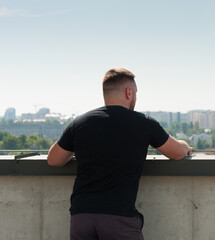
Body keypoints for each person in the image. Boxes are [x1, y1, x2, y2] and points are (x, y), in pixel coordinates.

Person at [47, 68, 193, 240]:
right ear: (129, 92)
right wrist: (186, 146)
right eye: (136, 92)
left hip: (82, 217)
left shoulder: (80, 123)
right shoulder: (143, 123)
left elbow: (54, 159)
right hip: (118, 219)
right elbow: (176, 153)